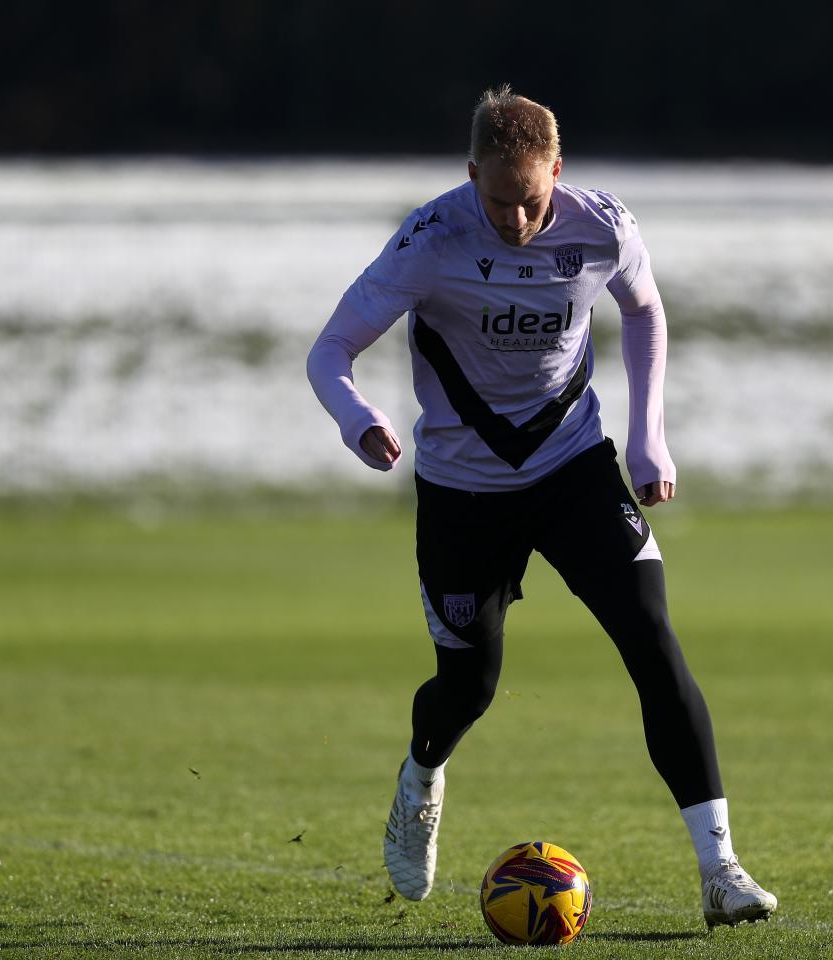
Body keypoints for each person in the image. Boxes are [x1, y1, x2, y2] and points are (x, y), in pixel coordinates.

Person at [306, 85, 777, 928]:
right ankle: (420, 778)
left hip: (574, 471)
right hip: (463, 491)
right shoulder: (431, 238)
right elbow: (329, 349)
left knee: (652, 640)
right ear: (471, 174)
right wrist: (359, 420)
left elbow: (645, 311)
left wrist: (648, 439)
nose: (517, 219)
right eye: (498, 200)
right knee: (469, 686)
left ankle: (721, 870)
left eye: (531, 199)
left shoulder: (602, 226)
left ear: (558, 170)